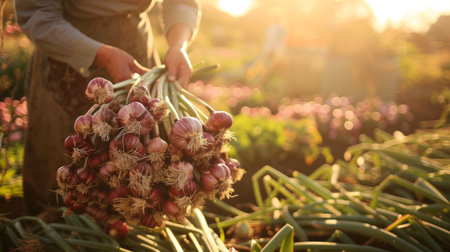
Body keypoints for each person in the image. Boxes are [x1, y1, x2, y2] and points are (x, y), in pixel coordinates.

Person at [14, 0, 201, 215]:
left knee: (142, 184)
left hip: (136, 50)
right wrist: (99, 54)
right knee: (65, 179)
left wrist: (178, 45)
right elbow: (37, 13)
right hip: (68, 52)